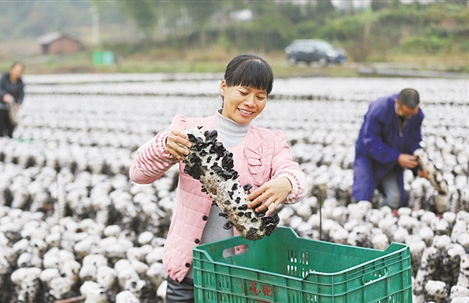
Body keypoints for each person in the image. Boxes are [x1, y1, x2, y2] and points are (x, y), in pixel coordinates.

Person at [129, 54, 308, 302]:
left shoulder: (271, 142)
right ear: (224, 87)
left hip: (245, 276)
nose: (251, 102)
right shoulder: (188, 131)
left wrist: (287, 182)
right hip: (189, 274)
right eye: (243, 92)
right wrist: (163, 145)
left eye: (260, 96)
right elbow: (138, 173)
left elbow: (295, 176)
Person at [352, 88, 428, 211]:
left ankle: (381, 219)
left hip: (392, 161)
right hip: (369, 158)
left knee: (395, 199)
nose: (409, 118)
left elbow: (413, 141)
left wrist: (418, 166)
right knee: (361, 198)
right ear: (397, 103)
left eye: (412, 114)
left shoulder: (417, 115)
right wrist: (397, 157)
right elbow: (371, 141)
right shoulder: (380, 109)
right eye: (406, 114)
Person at [0, 61, 25, 138]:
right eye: (16, 70)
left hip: (12, 109)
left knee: (11, 129)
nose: (17, 73)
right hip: (1, 107)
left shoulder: (20, 82)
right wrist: (4, 95)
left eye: (20, 71)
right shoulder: (4, 77)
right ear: (12, 69)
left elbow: (21, 95)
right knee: (1, 129)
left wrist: (19, 103)